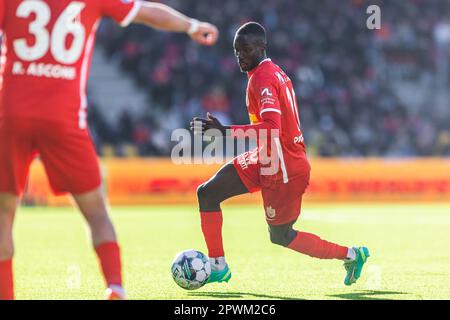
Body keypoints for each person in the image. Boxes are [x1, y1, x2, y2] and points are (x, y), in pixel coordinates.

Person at [0, 0, 218, 300]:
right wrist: (192, 25)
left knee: (3, 214)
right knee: (97, 212)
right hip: (63, 119)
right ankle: (115, 288)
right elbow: (147, 12)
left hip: (9, 115)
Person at [191, 22, 369, 286]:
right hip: (267, 157)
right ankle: (218, 265)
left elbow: (272, 128)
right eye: (237, 50)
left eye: (246, 50)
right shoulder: (271, 72)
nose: (240, 55)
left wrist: (224, 131)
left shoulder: (263, 77)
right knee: (207, 193)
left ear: (261, 48)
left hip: (284, 166)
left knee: (280, 235)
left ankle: (352, 255)